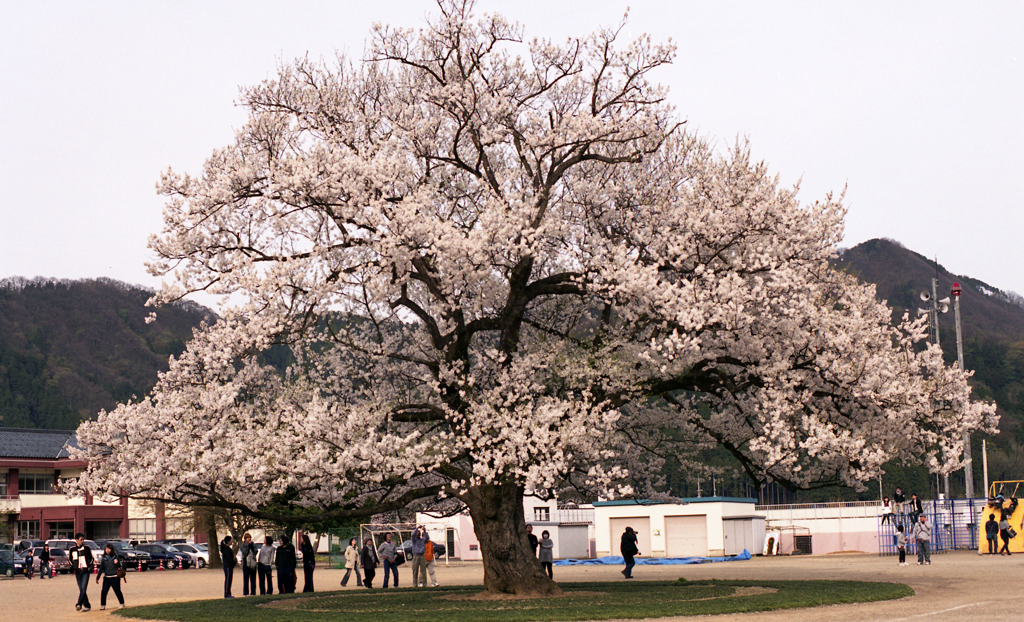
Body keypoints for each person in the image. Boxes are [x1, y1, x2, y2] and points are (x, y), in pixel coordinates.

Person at [69, 532, 94, 612]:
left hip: (85, 571)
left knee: (83, 588)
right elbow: (70, 559)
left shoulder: (87, 548)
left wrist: (88, 566)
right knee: (81, 589)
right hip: (78, 571)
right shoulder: (72, 549)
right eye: (81, 539)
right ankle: (87, 605)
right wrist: (74, 566)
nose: (82, 541)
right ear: (76, 540)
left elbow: (91, 558)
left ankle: (79, 604)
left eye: (83, 539)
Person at [96, 543, 125, 610]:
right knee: (104, 591)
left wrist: (117, 563)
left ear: (112, 550)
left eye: (109, 549)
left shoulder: (115, 556)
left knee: (117, 591)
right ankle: (103, 605)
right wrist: (98, 577)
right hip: (107, 577)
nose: (107, 550)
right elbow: (101, 568)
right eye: (106, 549)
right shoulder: (104, 558)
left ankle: (122, 603)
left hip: (115, 577)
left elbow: (119, 566)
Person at [239, 532, 258, 596]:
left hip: (252, 562)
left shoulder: (253, 544)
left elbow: (255, 551)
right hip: (246, 562)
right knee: (246, 579)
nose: (249, 539)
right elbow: (245, 553)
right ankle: (246, 592)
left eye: (250, 537)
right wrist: (248, 546)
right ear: (245, 539)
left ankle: (253, 592)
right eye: (247, 538)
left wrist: (251, 546)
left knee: (253, 579)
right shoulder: (243, 545)